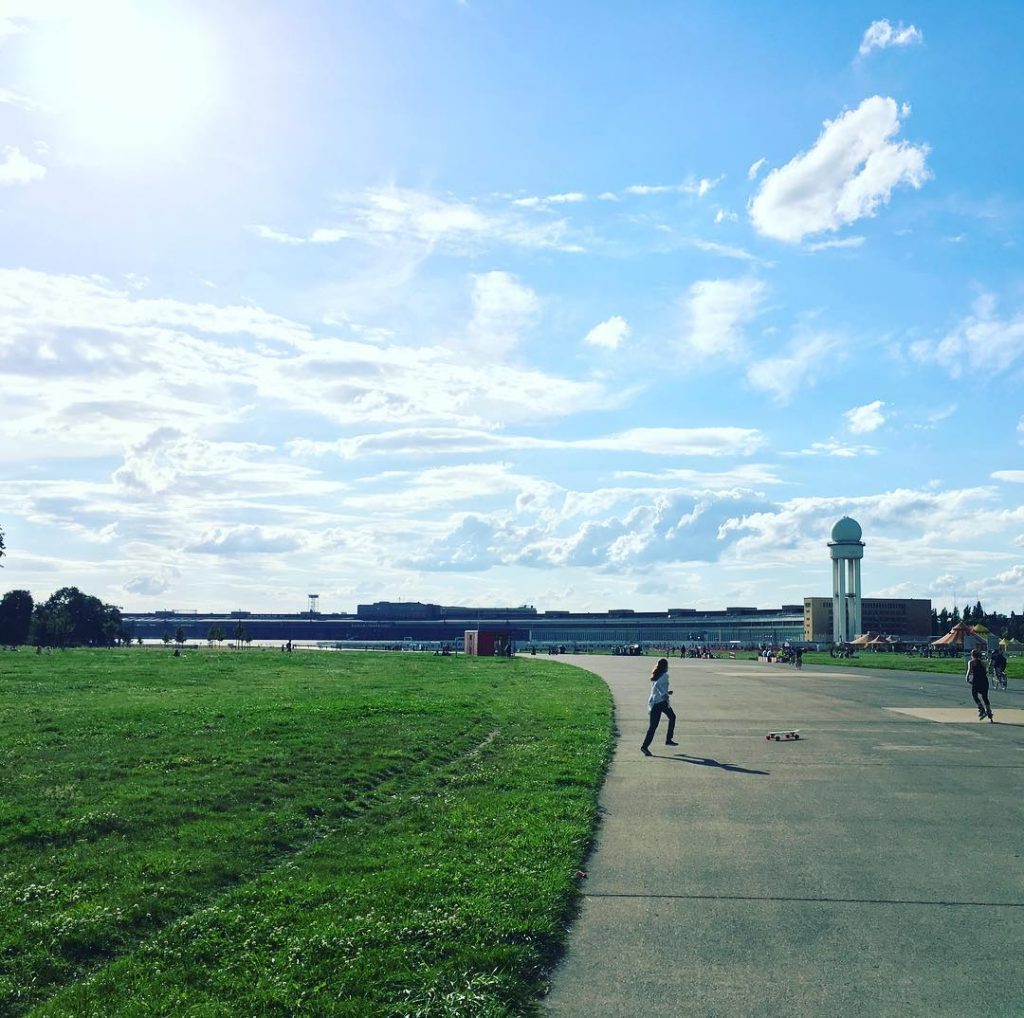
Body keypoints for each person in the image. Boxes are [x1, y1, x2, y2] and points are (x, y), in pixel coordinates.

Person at [641, 657, 677, 755]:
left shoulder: (657, 674)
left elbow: (656, 687)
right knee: (672, 717)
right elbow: (657, 686)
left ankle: (645, 747)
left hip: (655, 703)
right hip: (661, 703)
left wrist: (666, 692)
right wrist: (663, 694)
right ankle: (668, 739)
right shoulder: (665, 675)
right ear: (665, 666)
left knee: (653, 726)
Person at [966, 648, 993, 722]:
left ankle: (981, 709)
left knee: (974, 695)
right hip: (984, 681)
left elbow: (969, 671)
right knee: (985, 697)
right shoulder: (983, 662)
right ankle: (989, 712)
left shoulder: (971, 662)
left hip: (976, 681)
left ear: (972, 655)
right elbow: (986, 671)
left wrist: (967, 678)